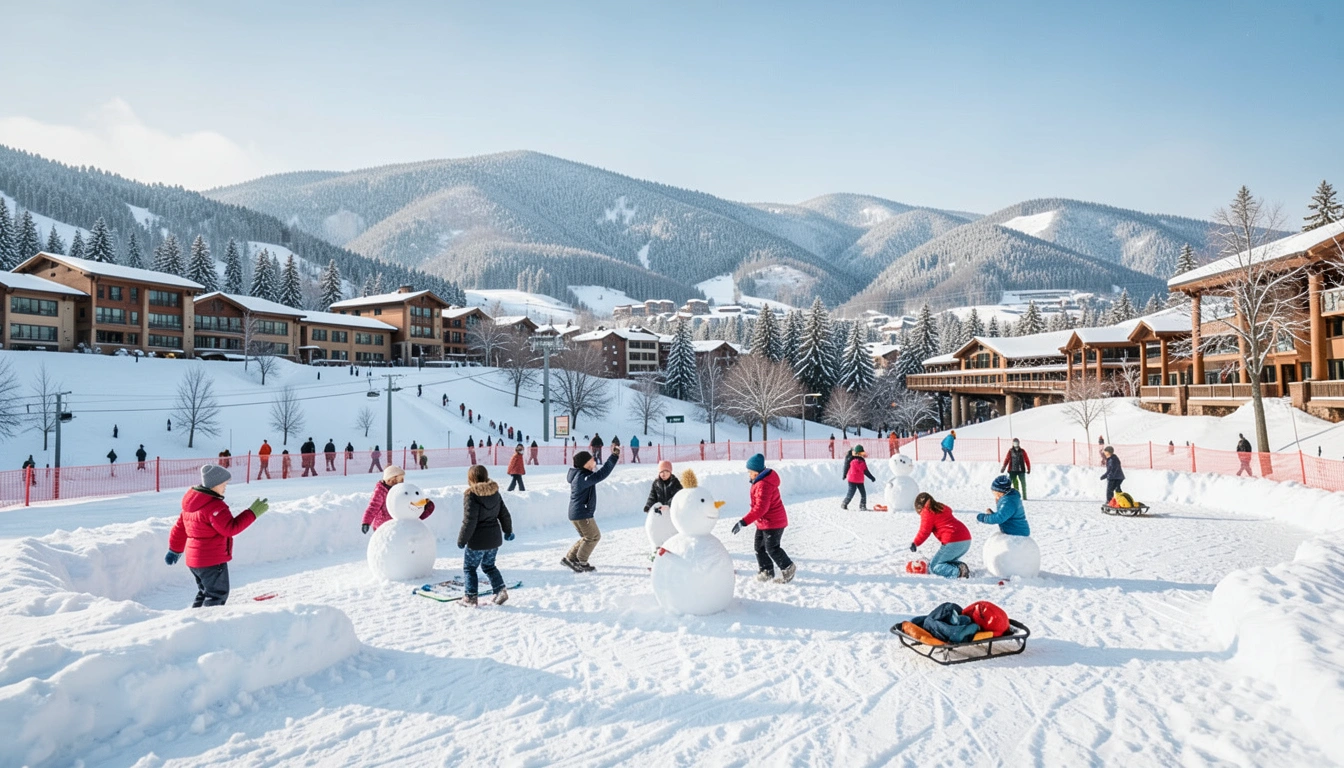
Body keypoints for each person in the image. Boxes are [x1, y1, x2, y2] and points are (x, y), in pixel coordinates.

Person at [165, 465, 268, 607]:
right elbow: (230, 528)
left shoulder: (190, 506)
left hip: (194, 561)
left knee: (204, 592)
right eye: (223, 484)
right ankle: (210, 620)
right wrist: (252, 513)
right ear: (214, 485)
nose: (225, 488)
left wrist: (174, 550)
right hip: (211, 561)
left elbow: (179, 529)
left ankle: (195, 617)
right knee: (216, 595)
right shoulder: (214, 506)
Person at [730, 454, 795, 583]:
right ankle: (767, 571)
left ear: (756, 472)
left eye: (750, 472)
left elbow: (760, 509)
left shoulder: (763, 485)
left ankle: (788, 567)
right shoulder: (760, 481)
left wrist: (743, 522)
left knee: (772, 548)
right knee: (759, 547)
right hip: (764, 522)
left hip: (774, 522)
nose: (749, 474)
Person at [458, 464, 514, 607]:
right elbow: (504, 514)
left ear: (471, 479)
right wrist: (508, 531)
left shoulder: (471, 495)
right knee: (489, 566)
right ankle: (500, 590)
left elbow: (470, 520)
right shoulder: (494, 492)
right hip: (494, 539)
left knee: (470, 568)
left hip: (478, 540)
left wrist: (462, 539)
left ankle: (470, 597)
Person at [562, 445, 619, 572]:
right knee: (594, 536)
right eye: (591, 459)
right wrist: (614, 456)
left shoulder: (580, 475)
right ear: (585, 463)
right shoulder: (582, 477)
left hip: (577, 513)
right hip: (582, 513)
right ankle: (581, 562)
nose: (594, 460)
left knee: (587, 537)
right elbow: (602, 474)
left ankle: (570, 558)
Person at [910, 491, 972, 578]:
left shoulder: (927, 511)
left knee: (934, 567)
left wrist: (915, 543)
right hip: (966, 539)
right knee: (942, 561)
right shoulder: (940, 508)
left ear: (920, 508)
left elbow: (924, 531)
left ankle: (959, 572)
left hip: (953, 540)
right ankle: (960, 567)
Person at [361, 465, 435, 533]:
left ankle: (421, 512)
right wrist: (366, 522)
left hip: (397, 523)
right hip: (383, 526)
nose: (402, 482)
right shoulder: (381, 492)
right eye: (400, 480)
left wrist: (422, 504)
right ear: (391, 480)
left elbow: (408, 503)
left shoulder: (399, 491)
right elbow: (373, 507)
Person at [841, 445, 876, 510]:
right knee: (856, 493)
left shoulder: (854, 460)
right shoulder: (854, 460)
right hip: (854, 480)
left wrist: (871, 477)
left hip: (858, 480)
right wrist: (871, 477)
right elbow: (865, 471)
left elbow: (865, 471)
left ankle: (861, 506)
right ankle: (846, 504)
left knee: (856, 493)